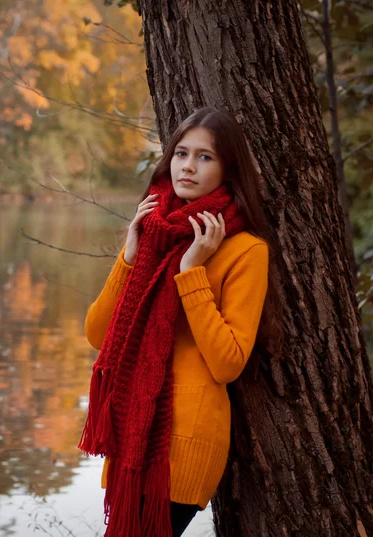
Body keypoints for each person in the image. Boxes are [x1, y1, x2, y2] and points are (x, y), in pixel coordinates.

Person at [79, 107, 284, 537]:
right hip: (131, 443)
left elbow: (228, 363)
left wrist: (192, 272)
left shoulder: (245, 250)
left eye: (205, 157)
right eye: (181, 153)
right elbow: (98, 334)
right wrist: (129, 259)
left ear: (229, 169)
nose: (187, 166)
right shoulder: (152, 235)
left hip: (185, 448)